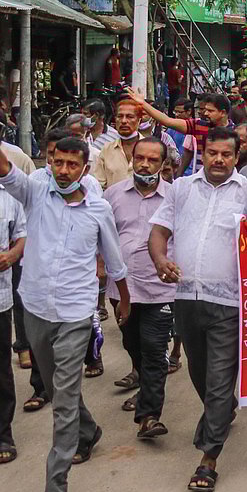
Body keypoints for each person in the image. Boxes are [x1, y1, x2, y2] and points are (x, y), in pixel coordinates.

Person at [0, 136, 128, 492]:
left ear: (85, 169)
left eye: (72, 165)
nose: (64, 171)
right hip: (36, 307)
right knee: (55, 387)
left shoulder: (98, 210)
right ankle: (88, 431)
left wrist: (124, 300)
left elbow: (114, 259)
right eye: (58, 163)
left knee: (65, 398)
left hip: (75, 313)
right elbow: (6, 170)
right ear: (49, 162)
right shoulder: (35, 191)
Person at [148, 127, 247, 492]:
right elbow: (159, 232)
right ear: (203, 153)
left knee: (220, 377)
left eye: (227, 154)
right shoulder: (180, 189)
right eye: (213, 153)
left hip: (230, 301)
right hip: (185, 298)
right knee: (198, 370)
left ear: (237, 157)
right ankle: (221, 412)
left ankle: (209, 458)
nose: (219, 160)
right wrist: (161, 259)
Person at [103, 137, 174, 441]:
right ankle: (146, 386)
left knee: (155, 350)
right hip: (122, 290)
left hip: (160, 288)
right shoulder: (112, 195)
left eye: (153, 160)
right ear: (133, 158)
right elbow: (100, 236)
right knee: (133, 345)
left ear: (162, 164)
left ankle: (148, 416)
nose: (145, 164)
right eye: (140, 158)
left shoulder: (174, 197)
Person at [0, 171, 28, 467]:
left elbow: (22, 234)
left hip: (0, 298)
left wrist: (12, 254)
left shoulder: (9, 196)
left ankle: (3, 434)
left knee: (0, 369)